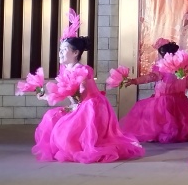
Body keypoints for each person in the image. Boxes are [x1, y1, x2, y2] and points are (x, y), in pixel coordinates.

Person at [32, 10, 144, 163]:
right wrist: (45, 95)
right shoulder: (65, 70)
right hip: (78, 106)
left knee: (65, 129)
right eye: (60, 50)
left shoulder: (82, 70)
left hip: (91, 107)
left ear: (75, 53)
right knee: (50, 117)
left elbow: (79, 94)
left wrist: (71, 104)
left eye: (64, 50)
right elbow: (63, 93)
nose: (60, 53)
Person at [118, 39, 188, 143]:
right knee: (178, 120)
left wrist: (134, 81)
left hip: (164, 101)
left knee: (162, 119)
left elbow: (150, 77)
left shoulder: (164, 67)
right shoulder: (183, 68)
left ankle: (163, 133)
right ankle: (175, 133)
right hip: (179, 100)